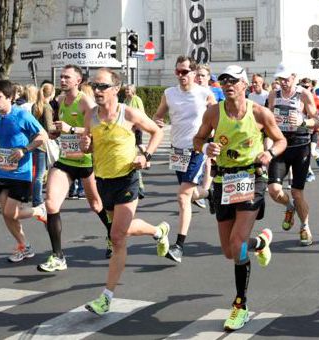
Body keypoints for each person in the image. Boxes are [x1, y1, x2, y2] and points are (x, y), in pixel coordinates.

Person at [191, 65, 285, 331]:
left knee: (237, 241)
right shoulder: (213, 112)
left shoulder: (260, 113)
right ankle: (261, 242)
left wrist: (269, 154)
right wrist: (206, 146)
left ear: (244, 85)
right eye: (224, 81)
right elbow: (197, 139)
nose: (228, 85)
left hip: (251, 179)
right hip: (223, 181)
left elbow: (280, 140)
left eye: (233, 81)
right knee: (229, 250)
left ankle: (240, 305)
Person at [80, 68, 172, 316]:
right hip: (104, 180)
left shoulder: (128, 113)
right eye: (94, 86)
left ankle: (106, 297)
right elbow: (87, 146)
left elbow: (157, 131)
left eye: (102, 86)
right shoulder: (91, 115)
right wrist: (85, 145)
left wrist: (146, 156)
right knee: (124, 229)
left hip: (127, 179)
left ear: (116, 89)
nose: (97, 91)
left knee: (117, 237)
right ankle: (158, 231)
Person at [39, 65, 112, 271]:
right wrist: (57, 133)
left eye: (67, 77)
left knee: (96, 205)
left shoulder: (86, 102)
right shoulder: (61, 100)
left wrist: (71, 129)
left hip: (86, 161)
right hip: (66, 160)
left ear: (78, 81)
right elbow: (63, 130)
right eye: (61, 77)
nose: (62, 80)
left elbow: (97, 129)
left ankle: (112, 235)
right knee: (51, 204)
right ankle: (58, 256)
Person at [152, 56, 216, 262]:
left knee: (182, 197)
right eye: (178, 71)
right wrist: (157, 121)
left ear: (194, 73)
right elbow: (158, 115)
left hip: (197, 149)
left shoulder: (205, 93)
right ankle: (209, 193)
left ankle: (179, 245)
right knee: (190, 195)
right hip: (177, 151)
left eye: (185, 72)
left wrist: (214, 137)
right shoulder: (169, 93)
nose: (181, 75)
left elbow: (217, 117)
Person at [0, 79, 49, 264]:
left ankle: (38, 210)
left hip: (21, 173)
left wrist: (24, 149)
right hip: (2, 172)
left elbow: (43, 135)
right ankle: (24, 246)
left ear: (10, 98)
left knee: (11, 213)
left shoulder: (22, 115)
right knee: (6, 213)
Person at [265, 63, 319, 245]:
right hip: (280, 145)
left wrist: (303, 121)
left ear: (294, 77)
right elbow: (268, 118)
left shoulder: (304, 94)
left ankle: (305, 226)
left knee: (297, 192)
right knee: (274, 190)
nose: (283, 82)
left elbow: (317, 121)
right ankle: (289, 207)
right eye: (280, 79)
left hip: (300, 146)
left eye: (286, 78)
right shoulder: (273, 95)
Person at [30, 83, 55, 209]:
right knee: (40, 174)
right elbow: (49, 128)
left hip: (33, 141)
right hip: (43, 143)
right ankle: (37, 200)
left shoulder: (35, 106)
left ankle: (34, 196)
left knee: (36, 173)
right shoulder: (47, 107)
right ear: (52, 93)